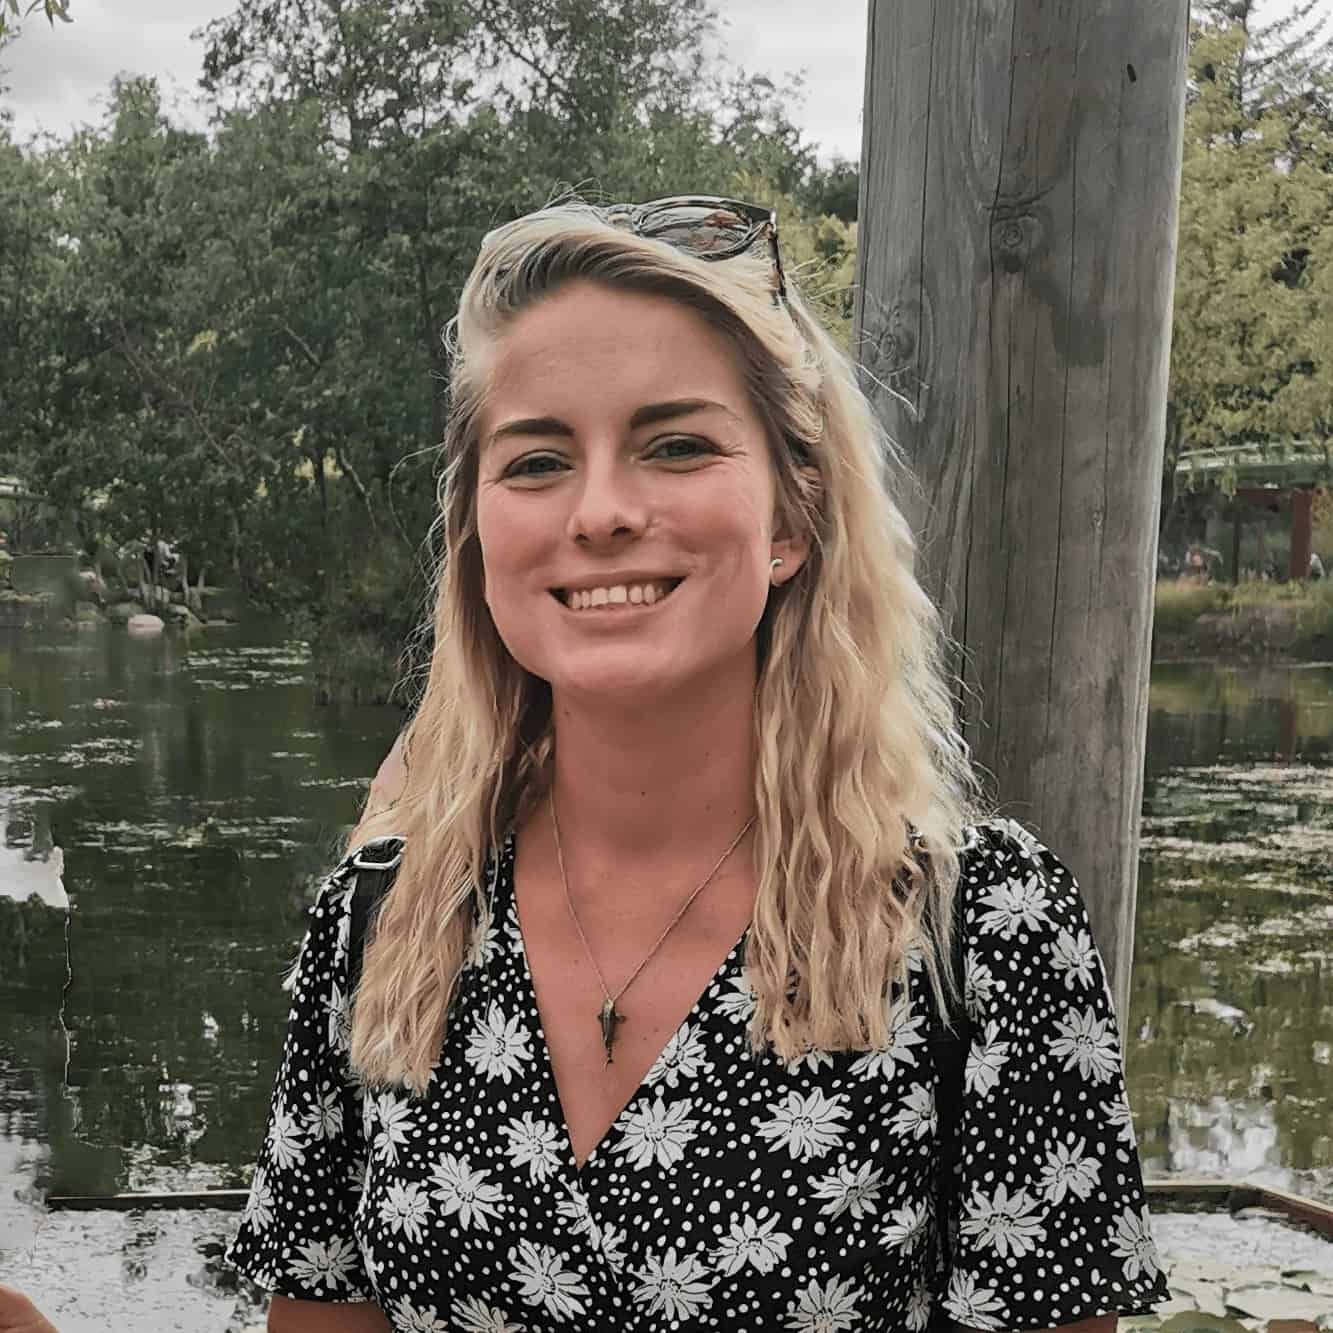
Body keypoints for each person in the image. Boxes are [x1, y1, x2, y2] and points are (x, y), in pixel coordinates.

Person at [5, 195, 1171, 1332]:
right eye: (536, 461)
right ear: (477, 530)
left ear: (791, 517)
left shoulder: (984, 927)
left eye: (676, 445)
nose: (601, 510)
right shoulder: (379, 918)